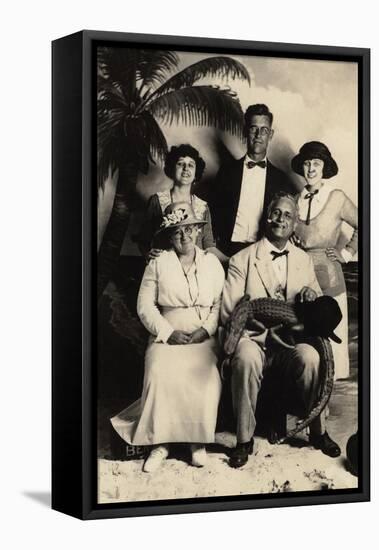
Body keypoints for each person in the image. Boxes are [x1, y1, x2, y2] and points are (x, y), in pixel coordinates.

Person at [221, 192, 341, 469]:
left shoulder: (303, 260)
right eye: (276, 212)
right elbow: (230, 312)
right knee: (247, 357)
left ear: (295, 223)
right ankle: (243, 439)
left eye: (288, 215)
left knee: (311, 357)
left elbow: (317, 311)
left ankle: (318, 432)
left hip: (290, 341)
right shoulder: (242, 259)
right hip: (253, 339)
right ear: (267, 216)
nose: (281, 219)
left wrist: (312, 295)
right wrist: (263, 332)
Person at [111, 202, 225, 472]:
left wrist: (204, 331)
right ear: (169, 236)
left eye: (189, 230)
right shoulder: (158, 263)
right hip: (167, 333)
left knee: (206, 376)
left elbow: (219, 304)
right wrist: (168, 333)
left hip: (202, 334)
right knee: (159, 370)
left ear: (198, 231)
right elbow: (145, 306)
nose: (184, 237)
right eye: (177, 232)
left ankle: (196, 441)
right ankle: (160, 443)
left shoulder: (212, 263)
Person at [291, 141, 358, 379]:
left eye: (316, 163)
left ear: (324, 167)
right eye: (307, 163)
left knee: (330, 335)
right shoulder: (293, 199)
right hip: (299, 274)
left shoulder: (336, 197)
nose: (311, 169)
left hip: (328, 273)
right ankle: (310, 390)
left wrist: (346, 253)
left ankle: (328, 388)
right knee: (304, 335)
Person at [205, 104, 296, 258]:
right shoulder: (226, 172)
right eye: (253, 128)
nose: (258, 135)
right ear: (245, 131)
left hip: (265, 251)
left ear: (271, 135)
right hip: (228, 251)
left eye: (264, 130)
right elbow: (213, 213)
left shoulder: (281, 179)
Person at [137, 143, 227, 263]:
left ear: (196, 173)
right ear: (172, 169)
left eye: (191, 165)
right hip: (166, 268)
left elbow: (209, 246)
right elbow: (143, 240)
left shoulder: (203, 206)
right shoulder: (157, 201)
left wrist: (230, 260)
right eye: (180, 164)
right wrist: (148, 253)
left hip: (195, 270)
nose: (186, 169)